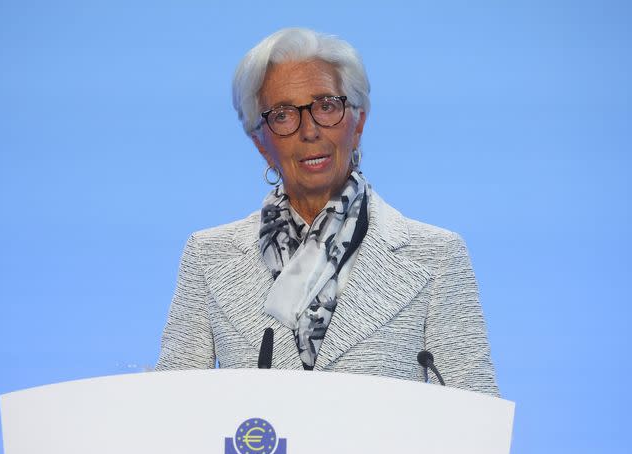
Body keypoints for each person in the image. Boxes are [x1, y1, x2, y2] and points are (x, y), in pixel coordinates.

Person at [154, 28, 498, 396]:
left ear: (358, 122)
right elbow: (171, 412)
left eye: (326, 106)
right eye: (284, 114)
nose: (310, 130)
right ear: (261, 142)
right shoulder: (208, 256)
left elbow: (476, 416)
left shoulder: (436, 256)